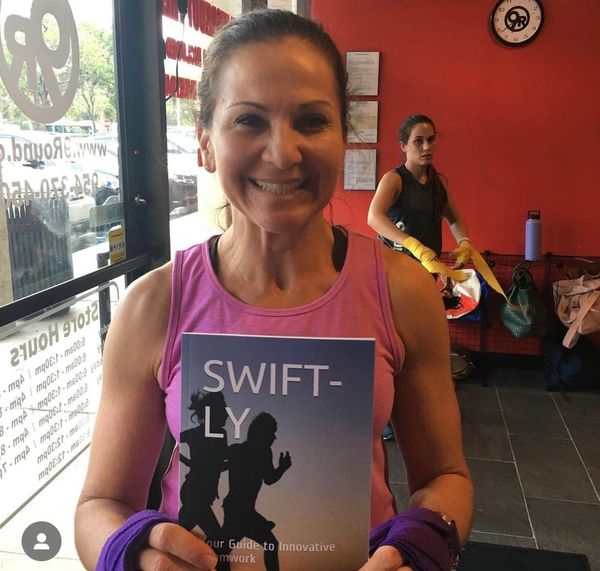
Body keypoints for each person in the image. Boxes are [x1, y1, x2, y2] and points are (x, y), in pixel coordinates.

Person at [75, 9, 473, 571]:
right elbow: (100, 505)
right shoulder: (153, 306)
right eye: (248, 121)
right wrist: (136, 556)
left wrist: (422, 549)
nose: (283, 153)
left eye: (311, 120)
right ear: (205, 143)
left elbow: (444, 477)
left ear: (343, 137)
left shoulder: (402, 292)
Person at [367, 114, 474, 279]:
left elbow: (454, 218)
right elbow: (374, 217)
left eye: (431, 140)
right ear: (403, 146)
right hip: (393, 270)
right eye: (418, 141)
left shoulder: (439, 181)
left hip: (427, 268)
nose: (426, 147)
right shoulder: (394, 179)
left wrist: (463, 241)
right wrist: (414, 245)